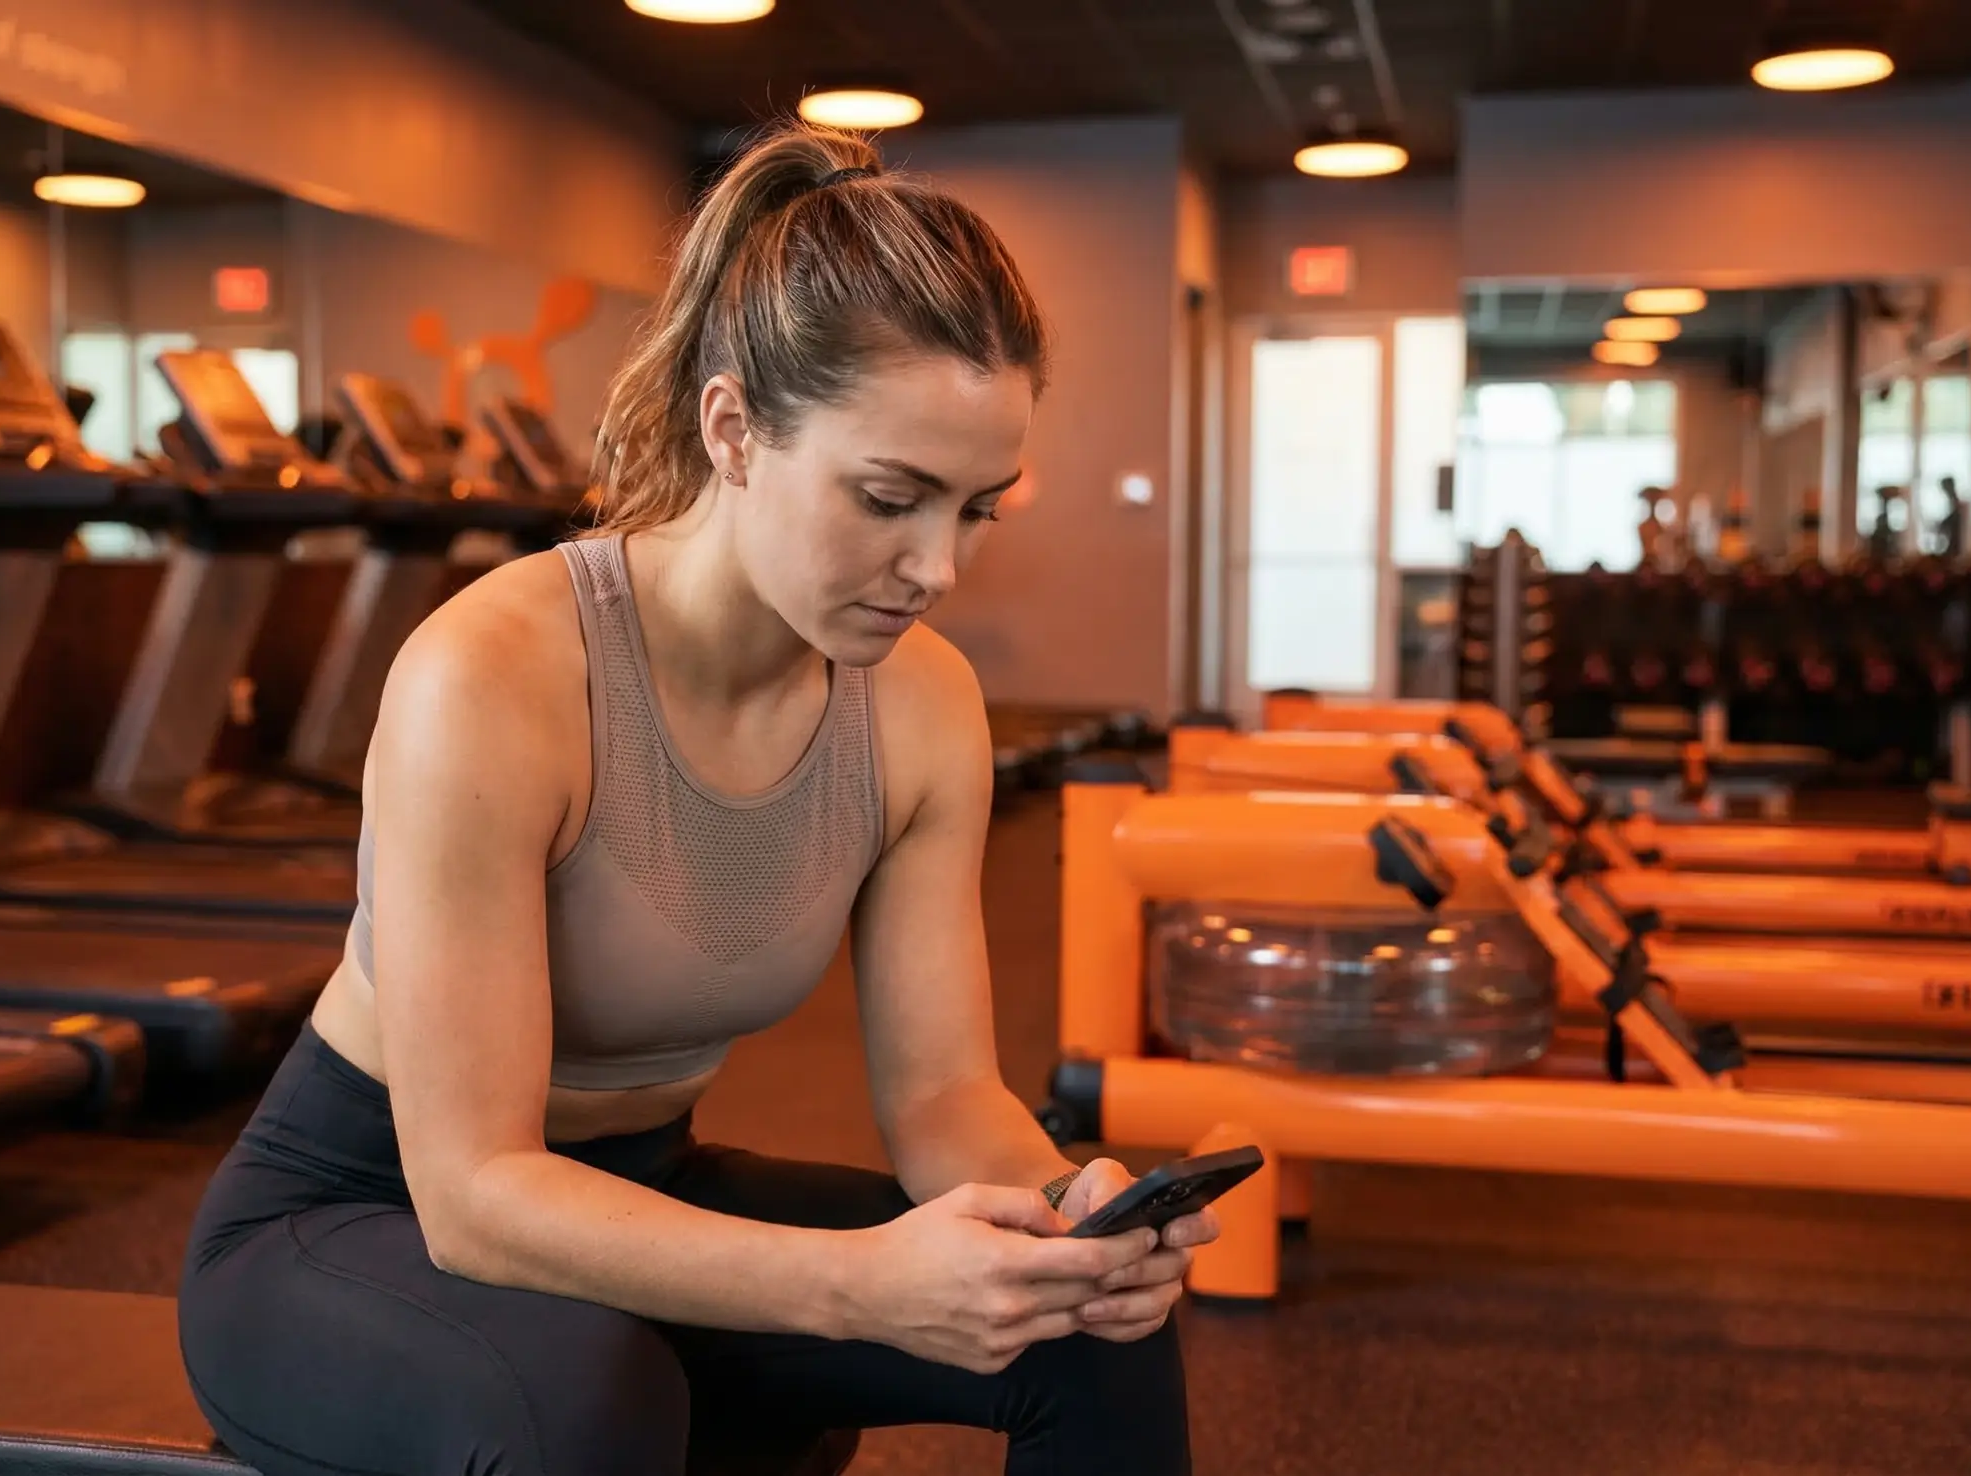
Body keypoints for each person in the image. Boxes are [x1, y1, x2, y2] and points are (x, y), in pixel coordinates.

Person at [177, 123, 1212, 1476]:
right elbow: (474, 1196)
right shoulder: (494, 675)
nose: (938, 567)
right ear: (733, 431)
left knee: (1080, 1334)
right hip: (362, 1218)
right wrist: (856, 1286)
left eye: (976, 510)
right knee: (586, 1402)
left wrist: (1067, 1217)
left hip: (642, 1190)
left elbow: (946, 1096)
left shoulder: (924, 706)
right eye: (890, 498)